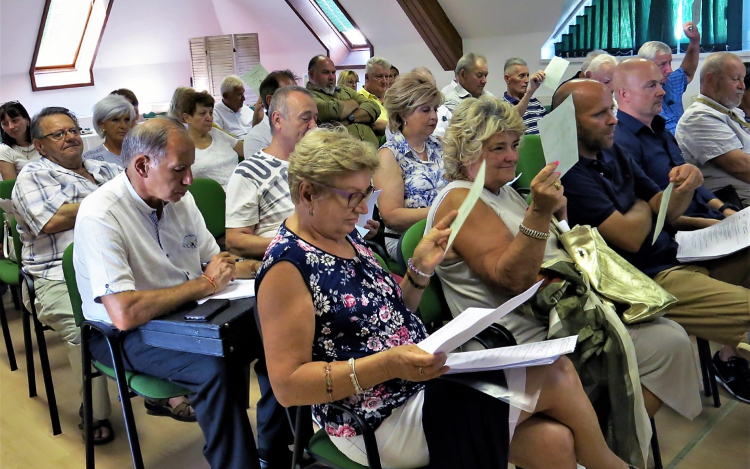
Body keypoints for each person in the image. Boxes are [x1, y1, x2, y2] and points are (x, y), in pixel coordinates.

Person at [256, 126, 637, 469]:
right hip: (375, 416)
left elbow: (388, 319)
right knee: (554, 372)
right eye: (352, 197)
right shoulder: (287, 268)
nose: (361, 209)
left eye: (365, 194)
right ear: (308, 193)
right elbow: (289, 387)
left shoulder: (344, 236)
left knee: (553, 442)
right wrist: (388, 365)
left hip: (415, 384)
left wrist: (419, 271)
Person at [429, 95, 701, 465]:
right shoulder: (460, 200)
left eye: (513, 145)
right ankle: (603, 443)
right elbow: (510, 279)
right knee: (666, 343)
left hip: (553, 313)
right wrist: (539, 213)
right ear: (466, 153)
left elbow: (553, 251)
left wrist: (559, 216)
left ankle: (603, 438)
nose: (511, 156)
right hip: (518, 331)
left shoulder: (501, 191)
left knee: (668, 338)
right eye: (498, 148)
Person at [74, 118, 262, 469]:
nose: (189, 180)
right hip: (119, 334)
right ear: (143, 165)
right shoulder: (102, 214)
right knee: (214, 366)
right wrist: (204, 285)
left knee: (273, 328)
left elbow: (216, 261)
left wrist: (264, 268)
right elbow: (124, 313)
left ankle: (272, 448)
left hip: (181, 312)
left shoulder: (179, 198)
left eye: (190, 168)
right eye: (180, 169)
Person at [557, 79, 750, 404]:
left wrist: (686, 185)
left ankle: (731, 358)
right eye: (600, 114)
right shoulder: (570, 175)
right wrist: (647, 205)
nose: (613, 119)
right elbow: (630, 239)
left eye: (612, 110)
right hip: (648, 280)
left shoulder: (612, 151)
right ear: (568, 122)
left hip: (678, 256)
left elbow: (665, 210)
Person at [12, 107, 120, 444]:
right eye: (58, 134)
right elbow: (52, 220)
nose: (70, 137)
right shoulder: (32, 175)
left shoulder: (104, 168)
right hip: (55, 276)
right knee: (83, 328)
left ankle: (163, 392)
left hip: (113, 268)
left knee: (154, 307)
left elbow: (141, 197)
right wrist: (111, 198)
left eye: (73, 130)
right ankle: (96, 410)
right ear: (40, 146)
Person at [612, 59, 737, 229]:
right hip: (679, 231)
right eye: (651, 86)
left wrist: (725, 210)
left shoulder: (661, 130)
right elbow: (651, 213)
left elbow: (692, 185)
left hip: (707, 216)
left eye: (661, 84)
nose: (662, 92)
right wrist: (717, 224)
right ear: (624, 94)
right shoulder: (620, 143)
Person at [226, 86, 318, 260]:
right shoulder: (249, 173)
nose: (313, 126)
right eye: (305, 118)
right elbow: (235, 241)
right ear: (277, 120)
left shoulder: (318, 165)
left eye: (315, 118)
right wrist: (296, 244)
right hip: (285, 263)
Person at [374, 72, 447, 259]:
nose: (434, 117)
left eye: (435, 109)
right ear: (404, 113)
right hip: (407, 238)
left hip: (445, 229)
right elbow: (391, 217)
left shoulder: (439, 145)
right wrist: (441, 212)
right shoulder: (389, 155)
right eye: (425, 110)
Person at [675, 52, 750, 207]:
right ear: (711, 79)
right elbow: (741, 167)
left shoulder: (731, 110)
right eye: (735, 79)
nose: (742, 86)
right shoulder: (699, 117)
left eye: (742, 79)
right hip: (735, 204)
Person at [637, 22, 700, 134]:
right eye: (663, 64)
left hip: (686, 141)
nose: (669, 70)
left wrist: (694, 42)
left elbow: (687, 72)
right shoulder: (637, 96)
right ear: (646, 66)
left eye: (670, 63)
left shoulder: (669, 80)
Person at [306, 55, 381, 147]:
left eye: (333, 73)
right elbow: (330, 111)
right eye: (326, 73)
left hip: (374, 150)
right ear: (312, 74)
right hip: (345, 156)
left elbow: (373, 107)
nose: (331, 77)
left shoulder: (344, 90)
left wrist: (349, 119)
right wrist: (354, 103)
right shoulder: (307, 96)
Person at [179, 89, 244, 190]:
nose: (209, 118)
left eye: (211, 113)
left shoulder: (217, 133)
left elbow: (247, 150)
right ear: (187, 118)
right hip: (214, 199)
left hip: (243, 188)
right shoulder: (181, 146)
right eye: (202, 113)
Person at [243, 70, 298, 158]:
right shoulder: (256, 138)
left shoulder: (306, 124)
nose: (298, 100)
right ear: (271, 101)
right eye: (291, 96)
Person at [82, 94, 136, 167]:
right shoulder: (91, 159)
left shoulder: (142, 152)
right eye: (115, 120)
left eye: (127, 120)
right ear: (102, 124)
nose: (123, 126)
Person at [503, 57, 547, 135]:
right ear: (507, 79)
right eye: (521, 76)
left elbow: (549, 126)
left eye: (527, 75)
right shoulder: (502, 105)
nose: (527, 80)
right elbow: (513, 118)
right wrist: (530, 91)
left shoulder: (535, 102)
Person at [0, 101, 41, 180]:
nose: (11, 127)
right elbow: (11, 185)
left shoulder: (43, 142)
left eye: (15, 121)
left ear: (27, 120)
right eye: (5, 124)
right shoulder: (4, 150)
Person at [358, 56, 391, 136]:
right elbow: (374, 125)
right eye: (379, 77)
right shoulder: (359, 99)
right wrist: (402, 127)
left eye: (387, 77)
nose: (384, 81)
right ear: (367, 78)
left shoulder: (391, 98)